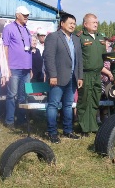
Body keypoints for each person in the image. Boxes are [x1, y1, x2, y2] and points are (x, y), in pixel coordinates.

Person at [43, 14, 83, 143]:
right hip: (58, 77)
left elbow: (79, 60)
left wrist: (80, 76)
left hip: (72, 78)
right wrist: (52, 75)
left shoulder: (76, 39)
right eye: (70, 23)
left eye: (74, 23)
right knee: (53, 105)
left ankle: (68, 130)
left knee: (68, 105)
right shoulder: (53, 37)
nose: (72, 26)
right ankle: (52, 132)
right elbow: (49, 58)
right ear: (62, 23)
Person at [77, 13, 112, 137]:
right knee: (84, 101)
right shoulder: (80, 38)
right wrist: (79, 76)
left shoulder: (100, 38)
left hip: (97, 74)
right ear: (85, 24)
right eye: (93, 22)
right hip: (86, 74)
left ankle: (92, 125)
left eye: (97, 22)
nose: (96, 24)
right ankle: (83, 127)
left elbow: (103, 58)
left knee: (94, 101)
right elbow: (77, 59)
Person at [2, 6, 32, 130]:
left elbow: (28, 49)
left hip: (26, 68)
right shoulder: (9, 28)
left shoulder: (27, 29)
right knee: (12, 95)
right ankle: (9, 121)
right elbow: (5, 48)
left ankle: (21, 120)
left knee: (23, 96)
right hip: (14, 67)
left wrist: (30, 69)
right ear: (17, 15)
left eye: (27, 15)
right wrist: (7, 67)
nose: (26, 17)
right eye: (24, 15)